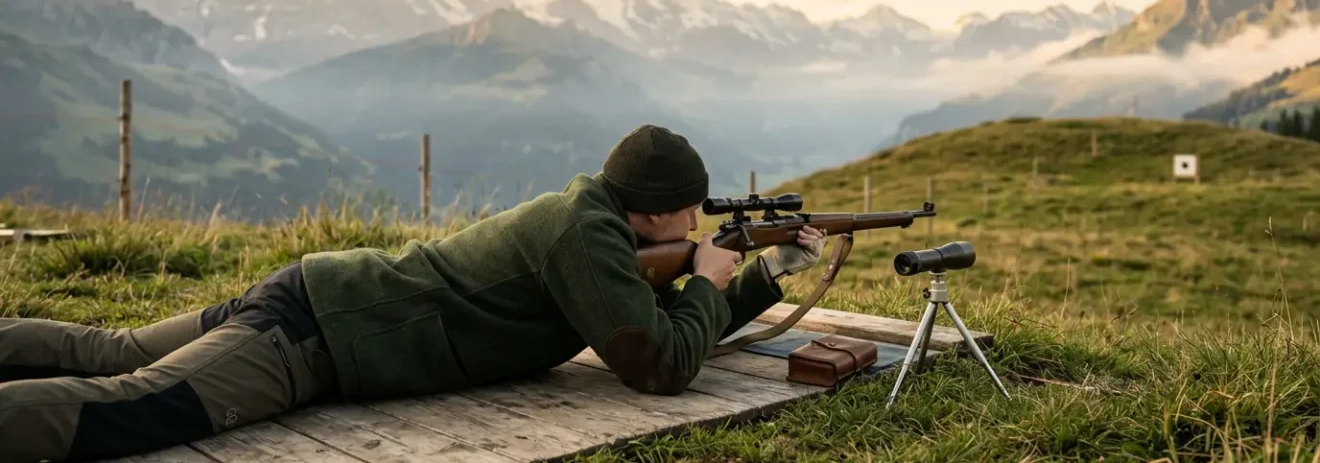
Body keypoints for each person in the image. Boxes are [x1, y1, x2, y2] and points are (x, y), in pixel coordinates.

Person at [0, 124, 826, 462]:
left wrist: (756, 278)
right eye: (692, 210)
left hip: (319, 298)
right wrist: (717, 275)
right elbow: (655, 363)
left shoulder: (595, 218)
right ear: (654, 212)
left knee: (103, 350)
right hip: (314, 339)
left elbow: (653, 319)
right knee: (130, 406)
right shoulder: (587, 237)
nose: (699, 221)